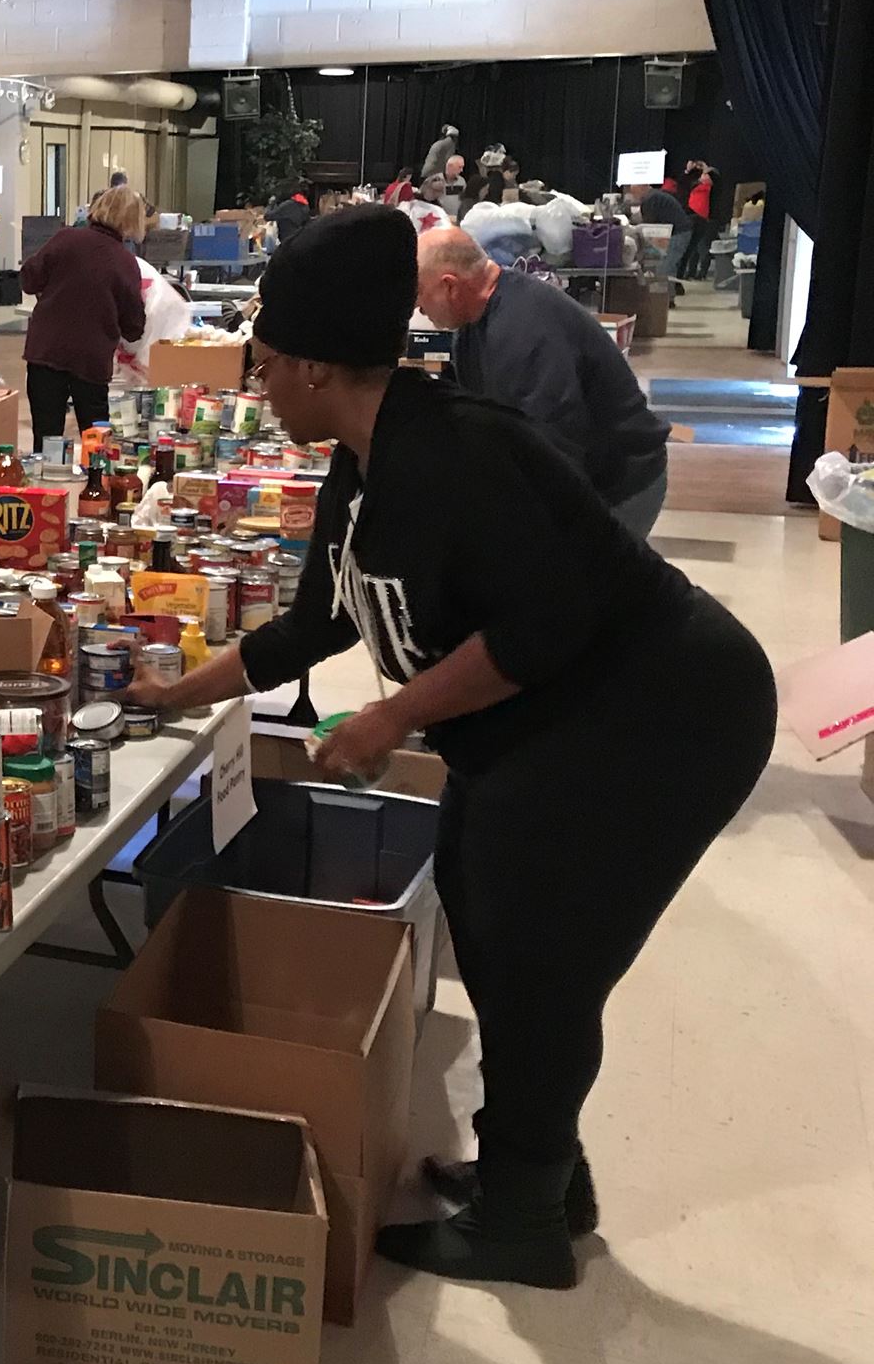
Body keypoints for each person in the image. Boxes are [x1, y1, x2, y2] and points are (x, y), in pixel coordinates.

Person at [126, 207, 773, 1291]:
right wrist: (174, 693)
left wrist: (389, 717)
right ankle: (537, 1175)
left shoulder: (461, 452)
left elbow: (540, 629)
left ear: (320, 367)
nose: (258, 384)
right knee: (483, 902)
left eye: (267, 363)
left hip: (658, 712)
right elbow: (317, 622)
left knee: (536, 961)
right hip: (560, 713)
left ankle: (524, 1215)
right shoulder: (359, 458)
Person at [415, 226, 671, 537]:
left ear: (449, 287)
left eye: (419, 293)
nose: (419, 308)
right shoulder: (475, 319)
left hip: (618, 485)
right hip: (578, 472)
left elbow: (555, 451)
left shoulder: (524, 333)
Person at [20, 184, 149, 443]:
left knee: (46, 436)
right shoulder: (125, 263)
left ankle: (45, 479)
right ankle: (95, 481)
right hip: (91, 359)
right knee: (95, 437)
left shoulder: (65, 238)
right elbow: (133, 327)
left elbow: (29, 279)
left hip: (46, 350)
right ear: (133, 221)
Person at [635, 175, 694, 288]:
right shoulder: (655, 195)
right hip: (680, 230)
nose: (634, 196)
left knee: (666, 267)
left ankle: (665, 298)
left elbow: (649, 222)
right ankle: (667, 296)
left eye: (634, 192)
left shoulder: (651, 199)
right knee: (668, 265)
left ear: (641, 188)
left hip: (678, 232)